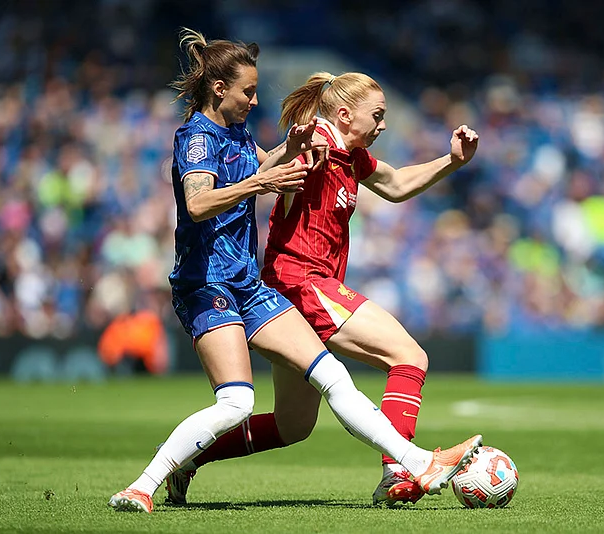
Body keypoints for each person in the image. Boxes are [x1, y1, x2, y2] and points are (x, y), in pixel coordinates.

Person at [107, 30, 481, 513]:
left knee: (294, 424)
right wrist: (282, 163)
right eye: (378, 115)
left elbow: (392, 181)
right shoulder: (243, 138)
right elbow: (200, 201)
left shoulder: (274, 140)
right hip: (267, 281)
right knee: (406, 357)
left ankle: (189, 461)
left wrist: (452, 161)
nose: (256, 100)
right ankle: (404, 470)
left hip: (255, 284)